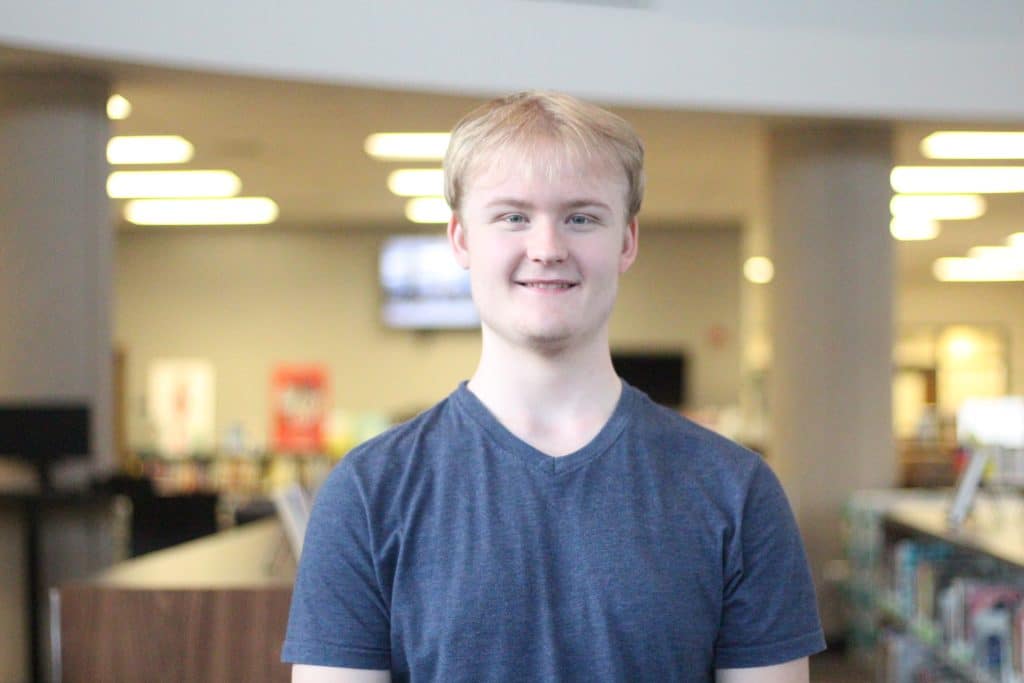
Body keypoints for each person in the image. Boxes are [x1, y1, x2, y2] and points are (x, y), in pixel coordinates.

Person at [282, 91, 825, 682]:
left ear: (627, 241)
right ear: (461, 238)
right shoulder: (367, 494)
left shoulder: (736, 493)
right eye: (513, 216)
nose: (546, 249)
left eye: (582, 218)